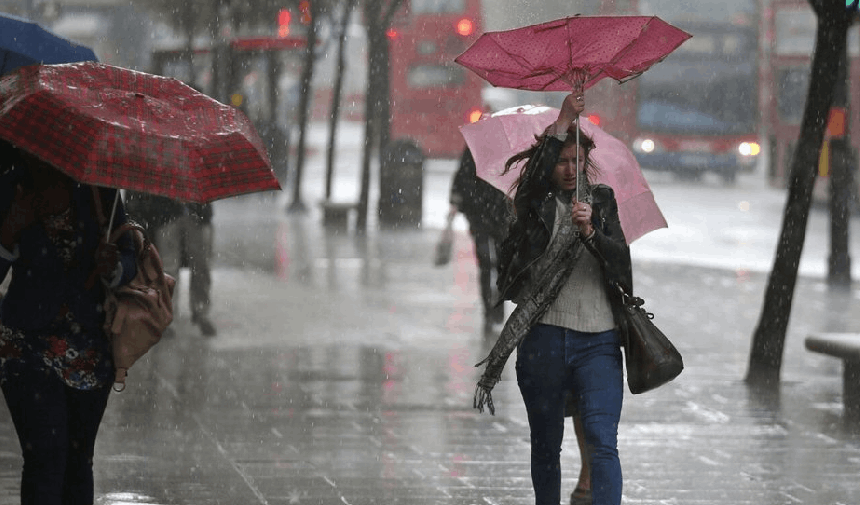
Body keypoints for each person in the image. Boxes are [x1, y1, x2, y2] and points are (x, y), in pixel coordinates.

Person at [474, 91, 632, 505]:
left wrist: (592, 233)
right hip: (543, 339)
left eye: (577, 161)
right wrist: (563, 121)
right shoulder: (533, 205)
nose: (569, 169)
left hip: (598, 342)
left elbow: (622, 268)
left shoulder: (602, 202)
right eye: (562, 161)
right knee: (546, 444)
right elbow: (532, 183)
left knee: (602, 439)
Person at [0, 140, 137, 504]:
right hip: (24, 345)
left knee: (79, 461)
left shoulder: (98, 188)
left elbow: (129, 253)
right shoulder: (10, 187)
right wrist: (9, 229)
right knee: (45, 458)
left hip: (89, 345)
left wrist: (115, 267)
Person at [125, 193, 217, 337]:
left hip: (195, 212)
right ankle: (169, 317)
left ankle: (200, 312)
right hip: (167, 213)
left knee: (200, 265)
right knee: (169, 267)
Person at [446, 147, 510, 333]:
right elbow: (462, 177)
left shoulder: (510, 151)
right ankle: (489, 310)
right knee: (486, 261)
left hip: (500, 215)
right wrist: (458, 201)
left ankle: (496, 307)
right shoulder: (474, 148)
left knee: (500, 264)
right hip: (481, 214)